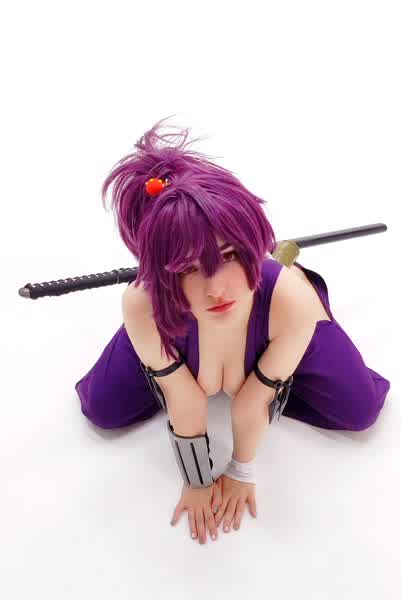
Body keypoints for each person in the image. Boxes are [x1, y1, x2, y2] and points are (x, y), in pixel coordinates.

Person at [75, 116, 391, 544]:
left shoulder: (290, 301)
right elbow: (186, 399)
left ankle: (278, 321)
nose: (216, 288)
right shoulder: (143, 302)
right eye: (187, 268)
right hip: (171, 318)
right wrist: (198, 479)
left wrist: (242, 468)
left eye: (228, 255)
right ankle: (165, 323)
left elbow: (250, 403)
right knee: (102, 409)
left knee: (359, 409)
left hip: (275, 312)